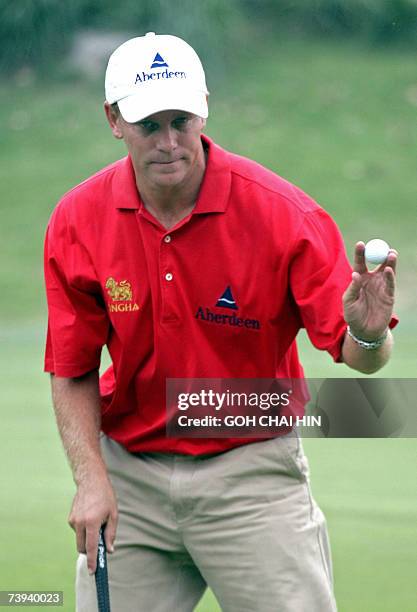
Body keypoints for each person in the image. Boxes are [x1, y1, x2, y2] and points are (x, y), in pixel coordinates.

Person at [44, 33, 398, 611]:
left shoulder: (284, 215)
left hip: (252, 477)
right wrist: (90, 480)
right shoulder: (78, 220)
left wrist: (369, 331)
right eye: (148, 124)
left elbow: (363, 357)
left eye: (181, 119)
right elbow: (71, 367)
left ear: (204, 107)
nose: (169, 141)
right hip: (130, 480)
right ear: (114, 120)